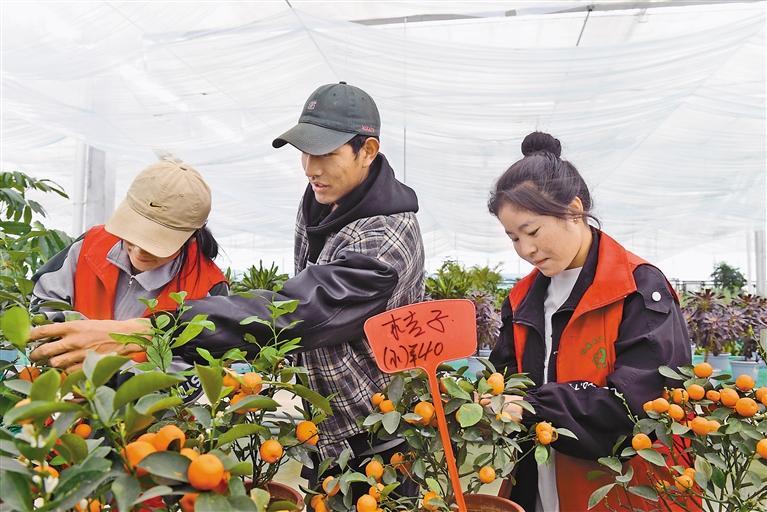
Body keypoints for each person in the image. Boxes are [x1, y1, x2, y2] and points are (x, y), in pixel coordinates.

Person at [29, 83, 425, 493]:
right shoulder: (324, 201)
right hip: (326, 424)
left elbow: (300, 312)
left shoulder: (384, 242)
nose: (310, 168)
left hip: (377, 427)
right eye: (305, 153)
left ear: (368, 150)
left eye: (326, 154)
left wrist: (147, 332)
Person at [487, 132, 691, 512]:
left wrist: (535, 407)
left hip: (621, 493)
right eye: (513, 238)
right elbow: (505, 380)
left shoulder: (636, 288)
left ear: (574, 210)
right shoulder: (521, 299)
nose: (526, 250)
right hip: (540, 486)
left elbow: (643, 405)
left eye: (533, 231)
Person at [30, 158, 228, 376]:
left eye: (156, 243)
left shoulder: (208, 286)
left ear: (191, 237)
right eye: (133, 234)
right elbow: (45, 301)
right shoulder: (90, 245)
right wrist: (71, 332)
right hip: (64, 386)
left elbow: (199, 368)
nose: (139, 250)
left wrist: (115, 371)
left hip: (146, 398)